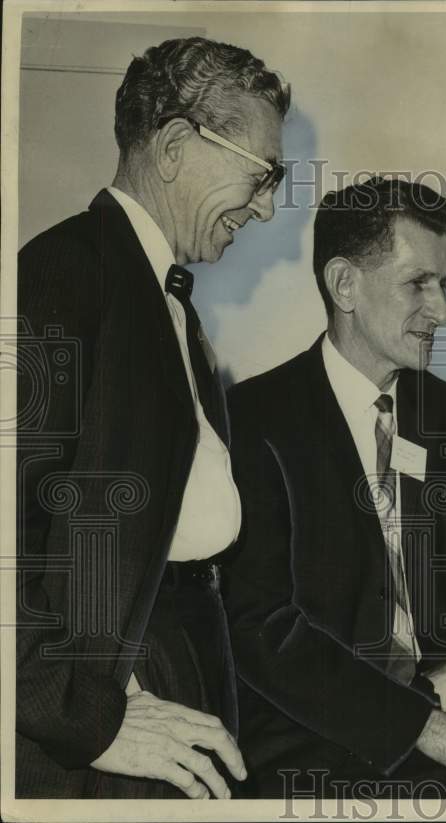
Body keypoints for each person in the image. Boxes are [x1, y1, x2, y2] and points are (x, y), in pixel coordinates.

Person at [223, 177, 446, 798]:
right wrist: (421, 725)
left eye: (444, 285)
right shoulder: (254, 421)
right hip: (310, 746)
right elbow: (262, 629)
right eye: (419, 284)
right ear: (344, 284)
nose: (441, 311)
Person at [16, 37, 290, 799]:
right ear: (174, 146)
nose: (266, 205)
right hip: (104, 725)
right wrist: (88, 718)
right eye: (262, 174)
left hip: (179, 666)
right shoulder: (60, 273)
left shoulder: (164, 299)